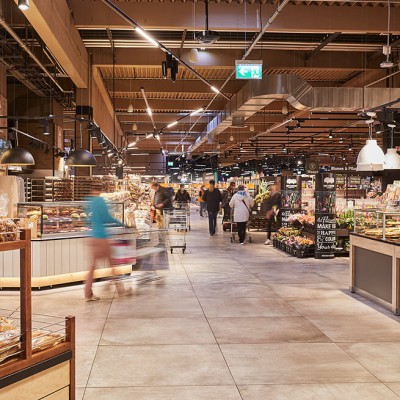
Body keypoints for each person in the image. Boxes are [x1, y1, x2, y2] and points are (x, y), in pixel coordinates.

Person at [85, 189, 131, 301]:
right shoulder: (100, 201)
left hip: (92, 237)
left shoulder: (89, 202)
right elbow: (106, 217)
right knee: (112, 264)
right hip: (101, 237)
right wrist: (122, 224)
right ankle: (121, 291)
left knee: (92, 267)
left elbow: (88, 219)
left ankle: (88, 294)